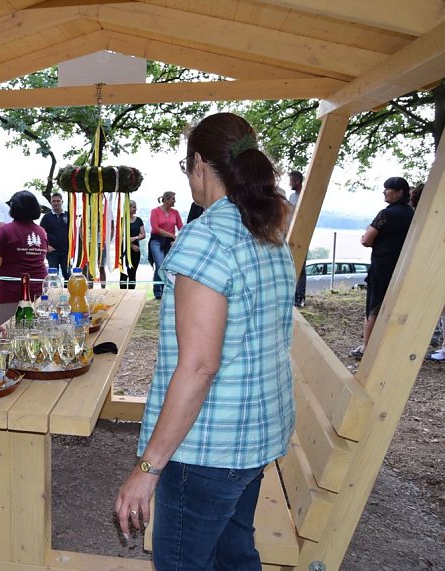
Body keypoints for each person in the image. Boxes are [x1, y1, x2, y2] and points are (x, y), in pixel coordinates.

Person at [115, 112, 295, 571]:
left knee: (184, 562)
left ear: (198, 164)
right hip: (256, 435)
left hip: (208, 448)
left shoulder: (207, 238)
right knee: (234, 554)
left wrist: (147, 469)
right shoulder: (266, 231)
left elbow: (199, 367)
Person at [350, 177, 414, 359]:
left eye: (387, 189)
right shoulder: (412, 214)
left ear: (400, 191)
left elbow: (367, 239)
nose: (384, 192)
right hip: (402, 265)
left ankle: (366, 347)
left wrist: (364, 237)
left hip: (382, 264)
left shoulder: (386, 213)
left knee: (374, 305)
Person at [0, 191, 48, 325]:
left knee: (4, 330)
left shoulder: (5, 230)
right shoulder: (41, 231)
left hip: (12, 291)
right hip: (39, 292)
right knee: (35, 331)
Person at [148, 191, 183, 299]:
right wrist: (172, 235)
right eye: (173, 199)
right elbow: (155, 229)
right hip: (157, 241)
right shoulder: (155, 211)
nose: (174, 201)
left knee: (168, 266)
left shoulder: (175, 212)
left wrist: (177, 239)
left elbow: (181, 227)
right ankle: (158, 292)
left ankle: (166, 291)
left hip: (170, 242)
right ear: (166, 200)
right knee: (160, 265)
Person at [287, 170, 307, 307]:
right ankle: (292, 294)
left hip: (302, 234)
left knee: (301, 267)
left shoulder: (305, 196)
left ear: (297, 181)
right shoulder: (292, 197)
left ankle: (300, 296)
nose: (289, 184)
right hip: (290, 234)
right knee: (290, 265)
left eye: (291, 181)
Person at [40, 191, 71, 279]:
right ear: (51, 202)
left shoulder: (69, 215)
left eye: (58, 201)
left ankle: (68, 289)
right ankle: (54, 289)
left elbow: (74, 232)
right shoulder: (46, 217)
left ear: (62, 202)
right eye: (54, 201)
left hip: (66, 251)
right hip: (52, 252)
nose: (56, 203)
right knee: (53, 276)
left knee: (67, 275)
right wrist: (46, 246)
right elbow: (41, 233)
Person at [120, 200, 145, 289]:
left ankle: (131, 293)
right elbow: (120, 236)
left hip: (135, 251)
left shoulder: (139, 220)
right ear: (128, 208)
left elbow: (143, 235)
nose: (136, 209)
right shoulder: (122, 220)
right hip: (124, 250)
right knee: (123, 274)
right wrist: (131, 245)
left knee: (132, 274)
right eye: (134, 207)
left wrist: (135, 238)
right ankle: (122, 293)